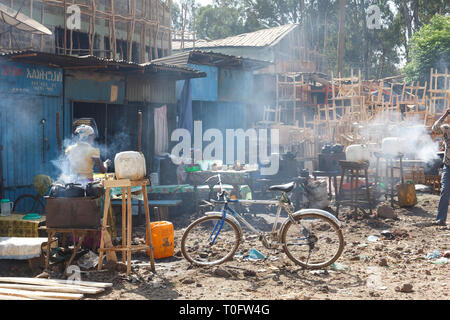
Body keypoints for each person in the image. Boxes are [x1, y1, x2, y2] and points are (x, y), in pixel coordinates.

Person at [431, 109, 450, 226]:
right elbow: (435, 128)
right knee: (445, 191)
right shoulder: (447, 129)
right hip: (448, 166)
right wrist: (445, 114)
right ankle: (441, 218)